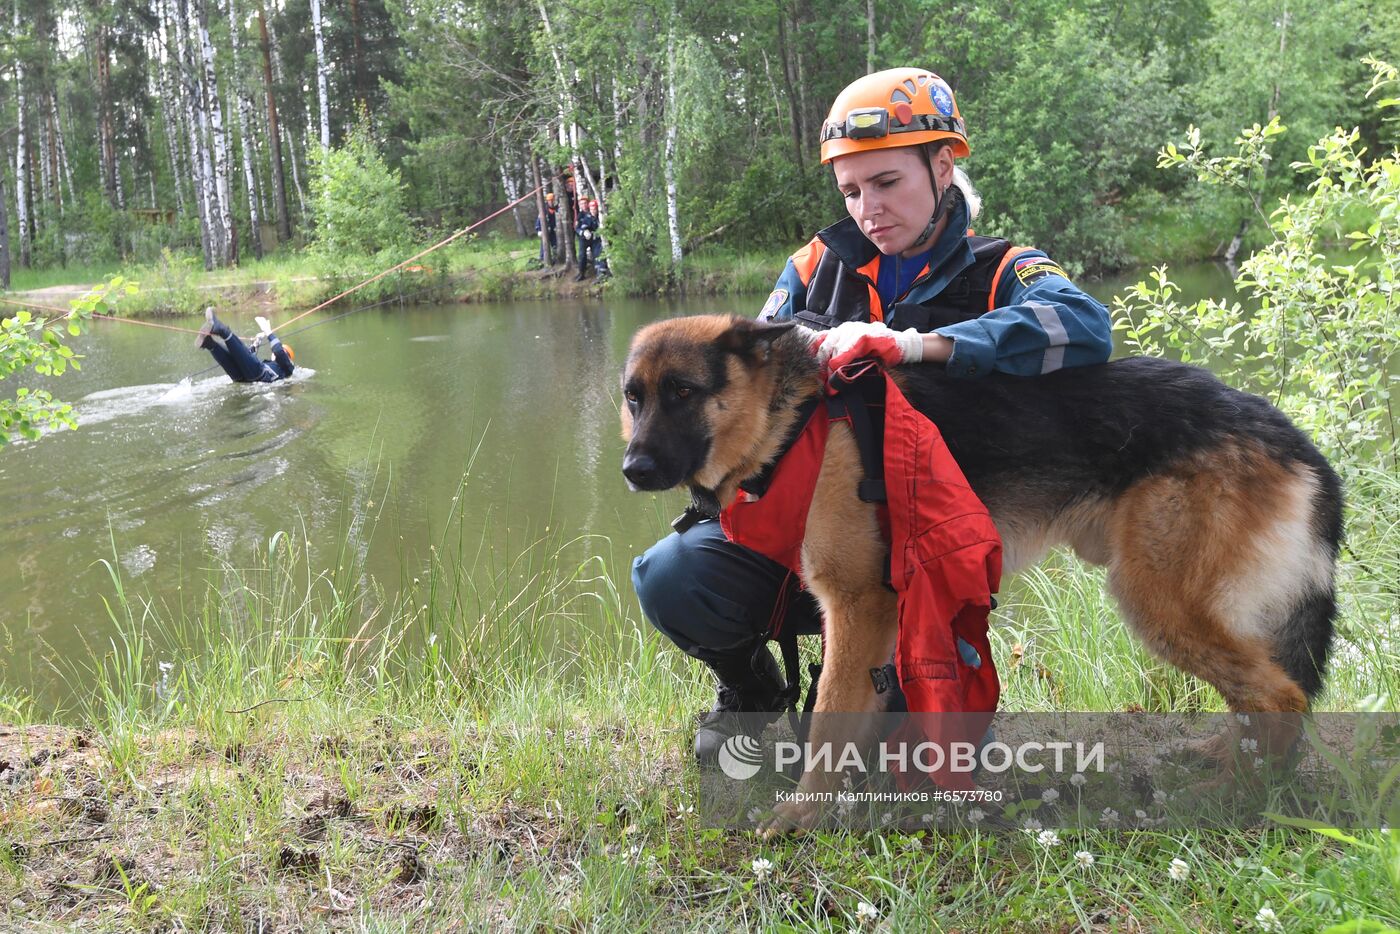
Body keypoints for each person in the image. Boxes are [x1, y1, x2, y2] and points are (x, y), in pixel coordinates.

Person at [630, 67, 1115, 766]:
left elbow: (1085, 328)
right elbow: (745, 396)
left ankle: (884, 688)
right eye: (851, 191)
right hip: (809, 530)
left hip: (928, 544)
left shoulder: (1004, 266)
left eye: (888, 183)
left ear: (942, 166)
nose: (869, 208)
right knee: (674, 577)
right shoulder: (814, 266)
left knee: (895, 765)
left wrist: (918, 345)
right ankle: (752, 689)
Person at [195, 309, 295, 383]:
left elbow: (278, 350)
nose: (275, 352)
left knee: (251, 361)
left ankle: (222, 330)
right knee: (237, 360)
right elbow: (245, 357)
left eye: (285, 351)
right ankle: (209, 344)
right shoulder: (272, 365)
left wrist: (267, 331)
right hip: (246, 378)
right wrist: (256, 343)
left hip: (260, 375)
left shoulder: (287, 368)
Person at [574, 199, 599, 280]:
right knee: (582, 255)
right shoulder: (580, 215)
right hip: (584, 238)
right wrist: (583, 232)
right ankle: (581, 273)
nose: (584, 205)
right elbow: (577, 228)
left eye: (585, 203)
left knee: (597, 254)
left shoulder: (597, 213)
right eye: (582, 204)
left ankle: (599, 273)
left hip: (595, 238)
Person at [534, 191, 559, 266]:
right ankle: (542, 259)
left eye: (552, 200)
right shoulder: (544, 210)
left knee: (555, 245)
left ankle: (556, 258)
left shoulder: (557, 209)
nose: (551, 202)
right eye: (550, 200)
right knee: (544, 246)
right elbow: (539, 220)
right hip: (546, 232)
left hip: (554, 232)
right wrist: (539, 229)